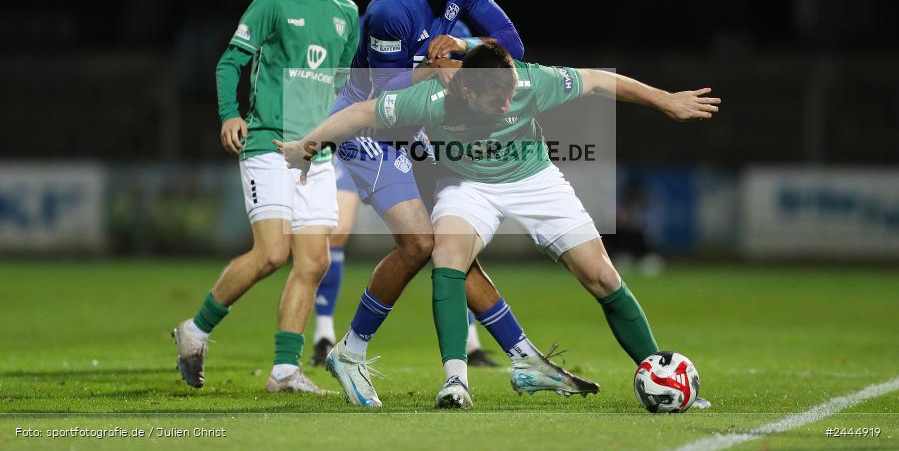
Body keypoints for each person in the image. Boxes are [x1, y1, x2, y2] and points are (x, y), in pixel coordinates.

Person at [277, 42, 721, 408]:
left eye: (511, 94)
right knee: (447, 255)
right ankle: (455, 381)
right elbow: (361, 114)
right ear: (468, 94)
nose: (510, 103)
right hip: (467, 183)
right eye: (499, 101)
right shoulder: (435, 97)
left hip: (534, 179)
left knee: (601, 275)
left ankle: (657, 371)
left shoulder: (528, 82)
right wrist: (310, 142)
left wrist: (666, 101)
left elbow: (598, 80)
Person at [293, 0, 596, 407]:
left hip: (417, 128)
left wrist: (462, 46)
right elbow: (385, 98)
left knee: (453, 248)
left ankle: (522, 356)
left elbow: (512, 44)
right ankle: (349, 350)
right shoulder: (392, 11)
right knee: (418, 243)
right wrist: (433, 69)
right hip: (369, 126)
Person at [172, 0, 359, 394]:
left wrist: (332, 136)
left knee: (314, 262)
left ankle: (283, 371)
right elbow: (229, 63)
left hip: (313, 154)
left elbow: (339, 86)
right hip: (269, 143)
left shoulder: (347, 12)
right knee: (272, 253)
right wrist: (229, 113)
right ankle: (194, 330)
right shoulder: (273, 0)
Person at [308, 0, 497, 368]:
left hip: (413, 137)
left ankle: (471, 344)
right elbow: (366, 88)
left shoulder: (453, 27)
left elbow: (483, 66)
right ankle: (326, 335)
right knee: (342, 234)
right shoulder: (376, 23)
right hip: (359, 131)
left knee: (449, 233)